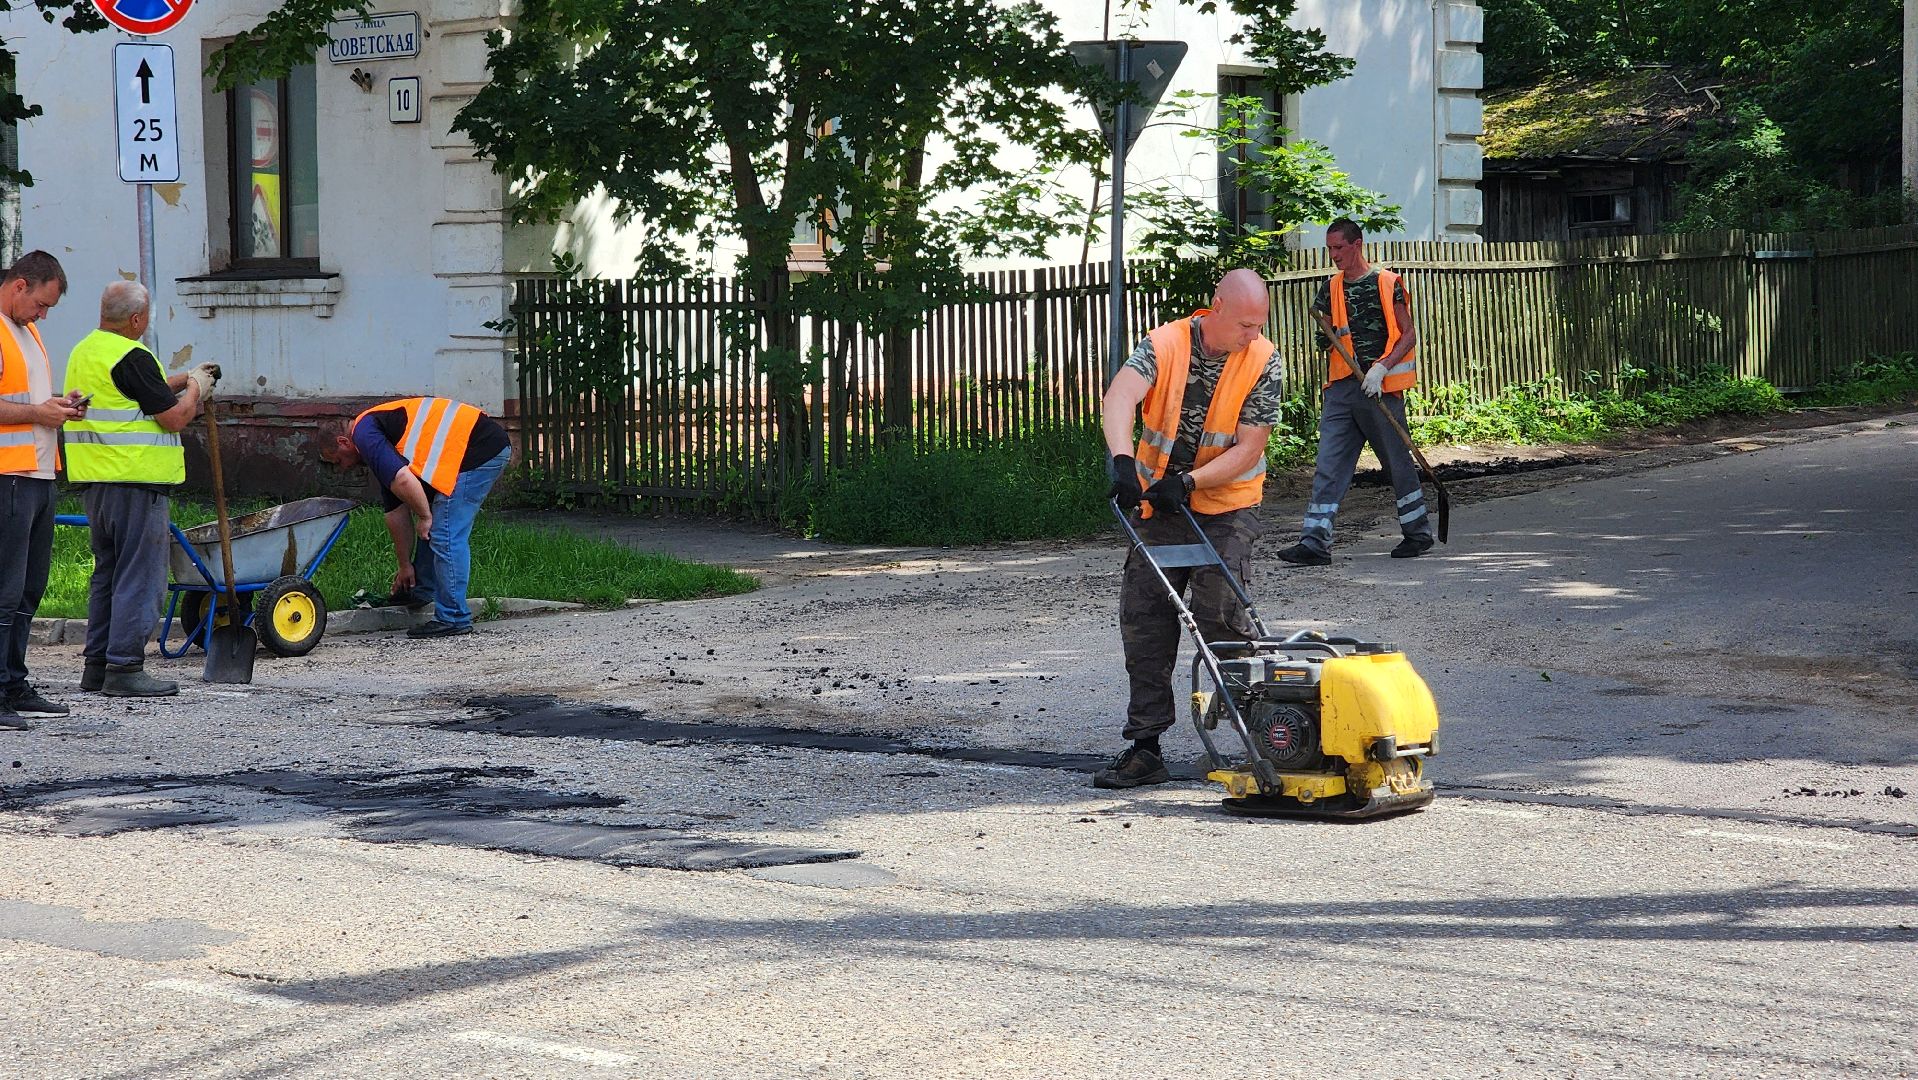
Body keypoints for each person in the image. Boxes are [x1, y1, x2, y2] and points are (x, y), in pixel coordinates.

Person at [1094, 268, 1284, 789]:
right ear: (1216, 307)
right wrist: (1122, 461)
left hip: (1226, 504)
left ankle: (1256, 741)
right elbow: (1119, 399)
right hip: (1159, 505)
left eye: (1258, 324)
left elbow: (1249, 447)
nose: (1252, 334)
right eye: (1244, 323)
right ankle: (1146, 746)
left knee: (1223, 616)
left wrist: (1191, 481)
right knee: (1146, 617)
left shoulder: (1264, 360)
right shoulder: (1165, 343)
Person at [63, 281, 221, 697]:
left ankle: (96, 666)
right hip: (135, 481)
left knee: (108, 576)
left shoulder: (85, 351)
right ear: (136, 319)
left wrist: (183, 378)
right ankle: (126, 668)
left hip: (96, 483)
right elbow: (171, 419)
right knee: (141, 577)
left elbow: (132, 395)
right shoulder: (132, 354)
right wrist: (196, 392)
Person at [1276, 218, 1434, 566]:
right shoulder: (1330, 288)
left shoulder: (1386, 282)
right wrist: (1325, 334)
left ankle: (1418, 533)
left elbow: (1408, 335)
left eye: (1339, 248)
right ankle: (1314, 542)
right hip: (1342, 390)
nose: (1334, 255)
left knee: (1396, 463)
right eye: (1330, 249)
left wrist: (1381, 368)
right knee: (1328, 464)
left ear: (1357, 244)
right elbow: (1324, 334)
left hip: (1380, 390)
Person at [321, 397, 513, 638]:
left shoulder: (364, 434)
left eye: (338, 460)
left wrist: (424, 516)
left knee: (444, 532)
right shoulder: (376, 433)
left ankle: (453, 617)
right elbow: (395, 512)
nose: (343, 468)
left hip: (477, 450)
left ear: (343, 442)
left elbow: (403, 479)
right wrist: (404, 566)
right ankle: (421, 591)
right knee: (438, 526)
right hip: (472, 448)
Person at [0, 251, 77, 728]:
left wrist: (59, 407)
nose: (44, 315)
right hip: (9, 476)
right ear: (20, 285)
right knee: (5, 590)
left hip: (39, 475)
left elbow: (25, 401)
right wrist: (38, 414)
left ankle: (13, 681)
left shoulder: (25, 332)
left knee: (29, 587)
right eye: (42, 304)